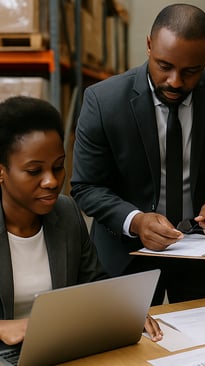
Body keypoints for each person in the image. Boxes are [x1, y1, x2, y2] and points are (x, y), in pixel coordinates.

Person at [71, 3, 205, 305]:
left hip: (201, 256)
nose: (175, 81)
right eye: (164, 66)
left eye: (191, 71)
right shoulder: (103, 101)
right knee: (126, 349)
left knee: (204, 346)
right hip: (125, 257)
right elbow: (86, 186)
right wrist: (135, 220)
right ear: (148, 45)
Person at [0, 96, 162, 345]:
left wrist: (123, 309)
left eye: (58, 167)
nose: (52, 182)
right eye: (34, 171)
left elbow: (93, 281)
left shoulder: (65, 212)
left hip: (58, 346)